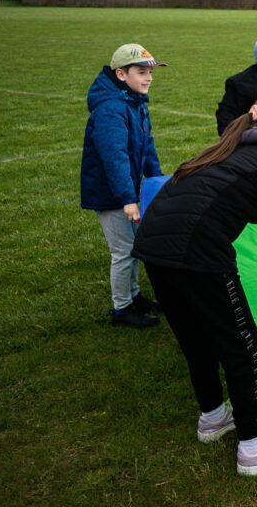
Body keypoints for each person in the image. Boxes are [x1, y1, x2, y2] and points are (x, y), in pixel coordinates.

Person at [132, 85, 257, 477]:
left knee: (196, 337)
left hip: (155, 243)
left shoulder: (237, 142)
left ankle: (212, 417)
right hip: (196, 250)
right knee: (241, 345)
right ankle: (253, 448)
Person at [80, 43, 167, 329]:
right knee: (124, 251)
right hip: (111, 194)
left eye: (150, 72)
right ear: (121, 74)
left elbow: (147, 147)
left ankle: (134, 296)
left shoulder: (136, 102)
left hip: (128, 191)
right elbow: (114, 156)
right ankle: (122, 309)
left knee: (134, 247)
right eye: (141, 72)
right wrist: (127, 198)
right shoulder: (110, 110)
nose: (149, 78)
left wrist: (155, 182)